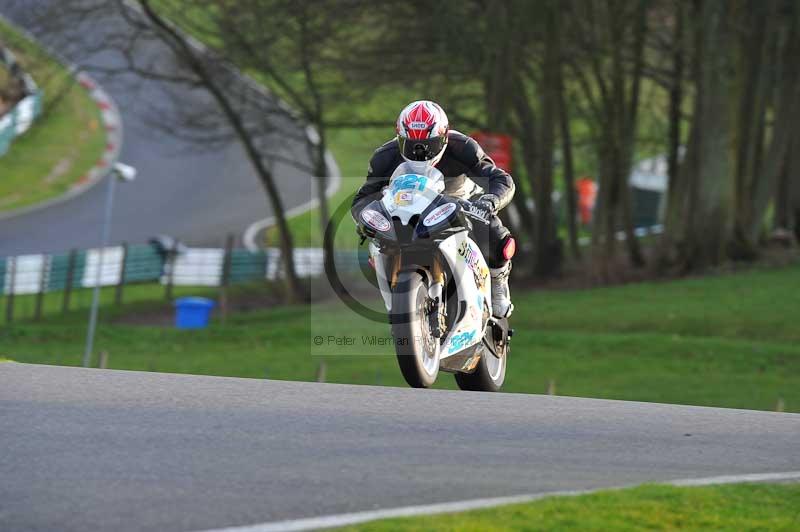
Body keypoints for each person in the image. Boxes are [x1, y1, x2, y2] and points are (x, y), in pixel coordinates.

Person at [351, 100, 516, 318]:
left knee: (492, 228)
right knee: (377, 242)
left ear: (444, 137)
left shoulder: (463, 147)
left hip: (458, 200)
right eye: (412, 146)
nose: (420, 153)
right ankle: (397, 302)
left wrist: (489, 202)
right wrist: (366, 218)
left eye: (429, 145)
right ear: (400, 139)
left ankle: (497, 280)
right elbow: (364, 197)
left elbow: (500, 178)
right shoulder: (385, 156)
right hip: (405, 205)